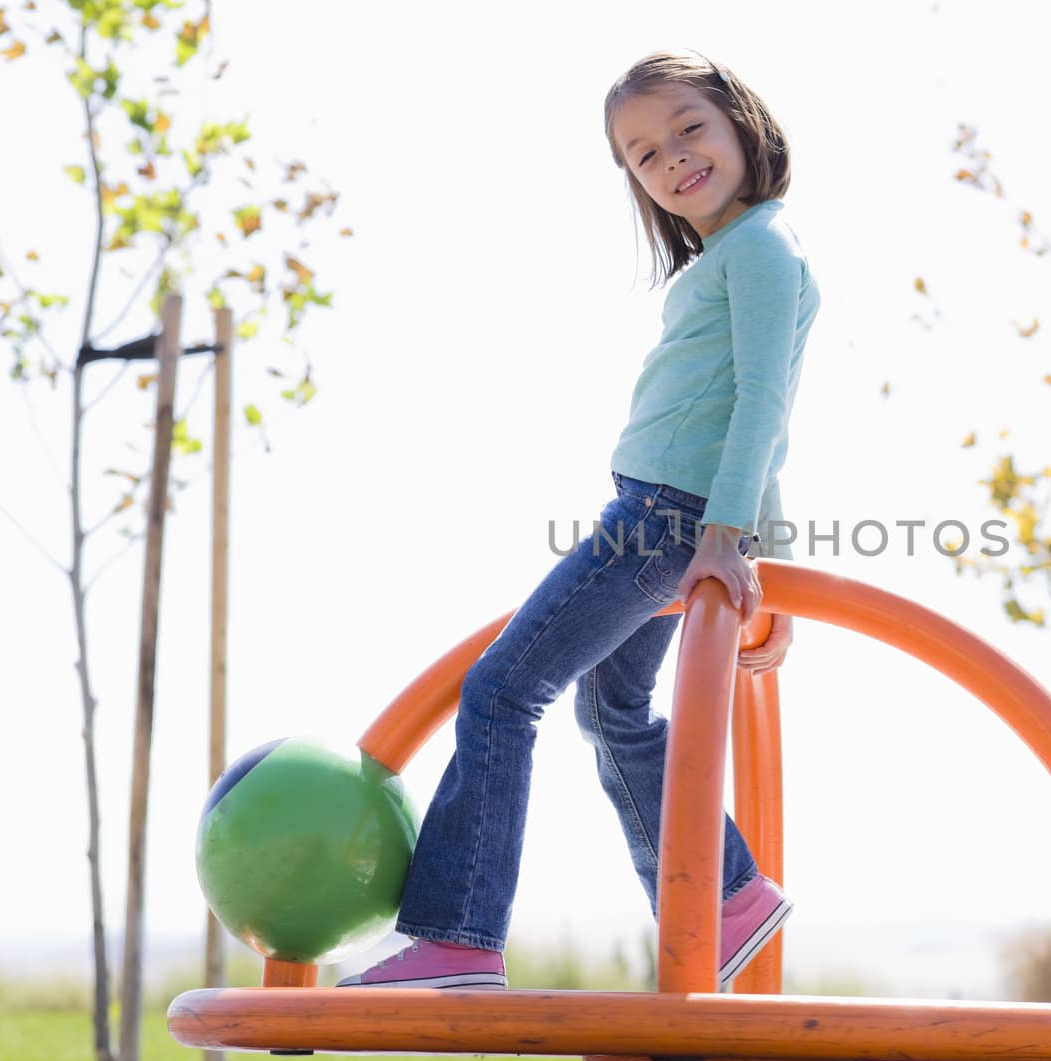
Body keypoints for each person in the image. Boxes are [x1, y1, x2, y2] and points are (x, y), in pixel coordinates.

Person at [337, 49, 822, 991]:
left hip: (663, 519)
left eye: (689, 129)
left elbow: (767, 402)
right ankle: (729, 897)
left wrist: (733, 539)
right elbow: (752, 414)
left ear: (741, 124)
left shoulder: (762, 245)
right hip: (681, 516)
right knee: (610, 709)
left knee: (499, 693)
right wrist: (769, 555)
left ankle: (460, 932)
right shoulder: (735, 252)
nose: (674, 158)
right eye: (644, 154)